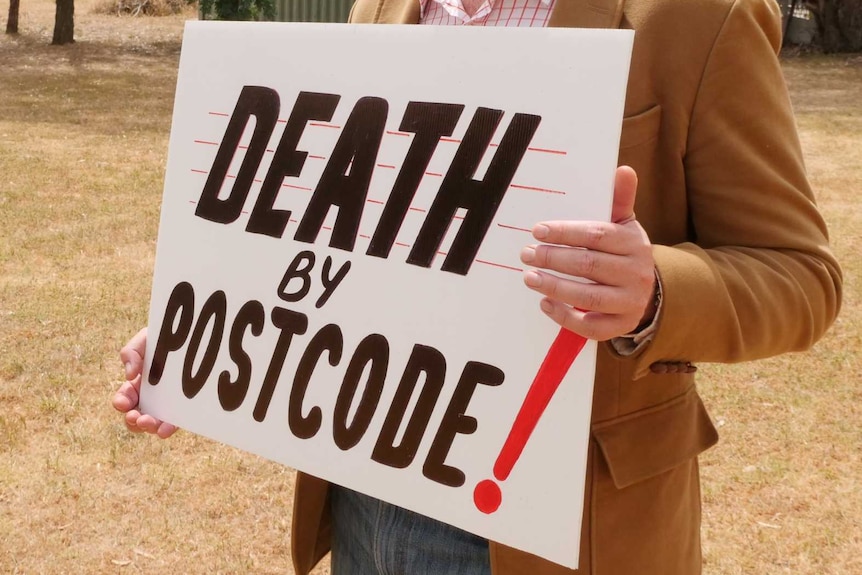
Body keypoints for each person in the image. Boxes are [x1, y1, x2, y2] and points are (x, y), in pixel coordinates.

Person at [113, 0, 843, 574]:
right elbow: (352, 235)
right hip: (366, 499)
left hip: (570, 527)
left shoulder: (700, 17)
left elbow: (800, 273)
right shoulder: (381, 9)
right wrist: (200, 339)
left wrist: (654, 291)